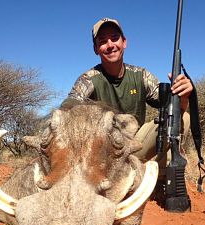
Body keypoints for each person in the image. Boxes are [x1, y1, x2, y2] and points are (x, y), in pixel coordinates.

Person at [61, 17, 193, 175]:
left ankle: (162, 179)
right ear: (96, 49)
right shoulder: (89, 78)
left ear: (124, 42)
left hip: (136, 146)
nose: (110, 45)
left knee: (182, 117)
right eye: (103, 41)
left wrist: (183, 95)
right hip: (104, 153)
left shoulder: (141, 75)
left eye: (115, 38)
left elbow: (172, 107)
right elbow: (67, 107)